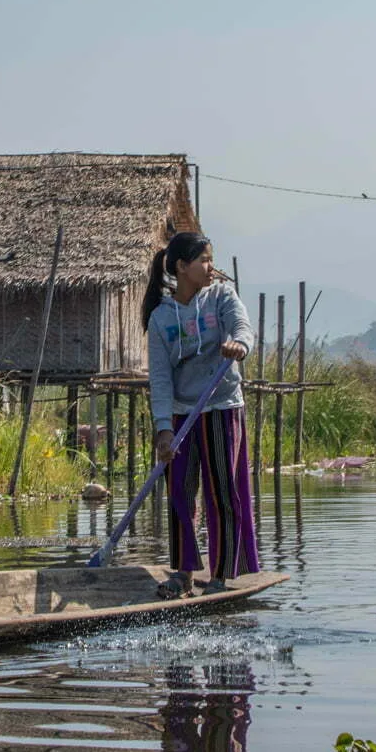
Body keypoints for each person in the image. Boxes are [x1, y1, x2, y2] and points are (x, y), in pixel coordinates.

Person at [144, 231, 260, 591]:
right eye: (204, 260)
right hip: (182, 412)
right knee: (180, 491)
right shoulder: (161, 319)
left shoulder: (222, 296)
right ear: (182, 267)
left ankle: (220, 575)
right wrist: (164, 429)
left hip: (221, 406)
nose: (212, 267)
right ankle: (183, 573)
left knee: (222, 491)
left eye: (211, 259)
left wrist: (238, 344)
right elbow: (160, 378)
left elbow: (242, 327)